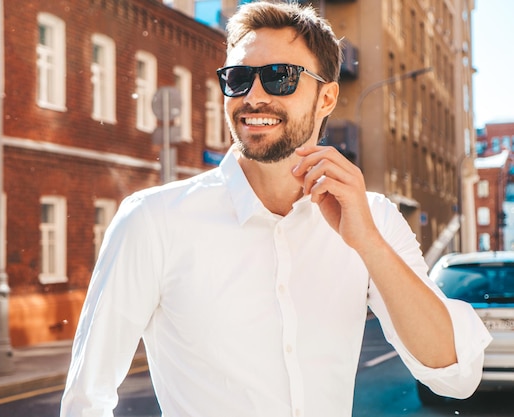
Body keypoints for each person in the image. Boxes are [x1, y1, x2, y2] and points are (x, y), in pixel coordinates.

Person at [60, 2, 491, 416]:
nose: (254, 96)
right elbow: (87, 398)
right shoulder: (153, 221)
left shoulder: (373, 219)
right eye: (239, 78)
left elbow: (455, 377)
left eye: (280, 77)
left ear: (326, 98)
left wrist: (369, 246)